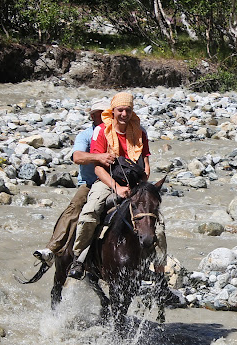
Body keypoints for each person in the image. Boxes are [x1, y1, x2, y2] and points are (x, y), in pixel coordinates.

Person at [67, 91, 167, 280]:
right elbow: (98, 169)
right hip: (107, 180)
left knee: (157, 223)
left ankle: (160, 272)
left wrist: (142, 186)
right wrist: (117, 188)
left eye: (128, 110)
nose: (124, 114)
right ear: (113, 111)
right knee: (90, 212)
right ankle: (78, 258)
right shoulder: (102, 131)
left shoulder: (140, 132)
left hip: (135, 182)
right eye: (120, 110)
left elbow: (145, 164)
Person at [33, 98, 115, 265]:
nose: (106, 118)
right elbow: (77, 157)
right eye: (101, 115)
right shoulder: (85, 135)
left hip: (116, 182)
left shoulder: (117, 133)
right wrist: (99, 157)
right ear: (93, 117)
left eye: (109, 114)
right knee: (76, 207)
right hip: (91, 182)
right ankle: (52, 249)